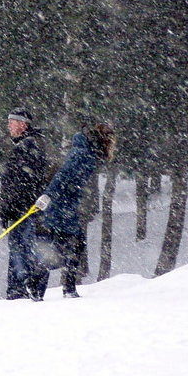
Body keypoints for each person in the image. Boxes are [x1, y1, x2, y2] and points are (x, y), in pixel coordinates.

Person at [34, 122, 117, 299]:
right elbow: (63, 175)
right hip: (62, 205)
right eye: (110, 139)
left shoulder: (88, 152)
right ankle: (40, 285)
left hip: (67, 204)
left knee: (71, 246)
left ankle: (51, 287)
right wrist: (48, 196)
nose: (112, 144)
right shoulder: (84, 153)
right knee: (68, 246)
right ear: (103, 139)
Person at [0, 107, 47, 300]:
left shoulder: (28, 146)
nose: (9, 126)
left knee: (22, 248)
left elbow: (19, 183)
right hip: (20, 208)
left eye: (12, 122)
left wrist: (8, 209)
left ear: (22, 124)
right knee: (20, 248)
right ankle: (18, 289)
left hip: (23, 210)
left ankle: (24, 287)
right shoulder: (25, 145)